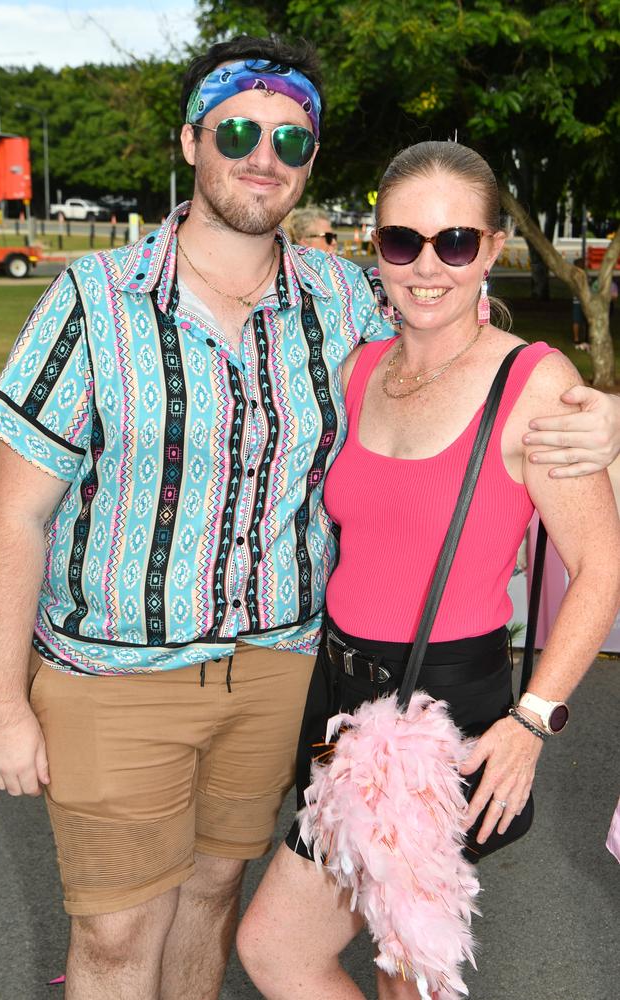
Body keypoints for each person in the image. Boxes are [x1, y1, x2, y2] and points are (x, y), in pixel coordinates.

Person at [0, 34, 619, 999]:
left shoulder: (339, 301)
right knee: (114, 940)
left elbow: (480, 357)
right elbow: (14, 517)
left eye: (291, 137)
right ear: (192, 140)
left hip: (288, 678)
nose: (261, 154)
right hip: (119, 677)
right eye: (237, 128)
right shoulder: (93, 301)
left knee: (219, 906)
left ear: (311, 161)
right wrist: (0, 703)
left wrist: (604, 413)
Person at [236, 141, 620, 1000]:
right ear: (376, 248)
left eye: (454, 242)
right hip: (337, 701)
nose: (426, 266)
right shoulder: (363, 367)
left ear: (489, 249)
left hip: (439, 712)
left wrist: (533, 719)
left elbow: (602, 565)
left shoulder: (534, 381)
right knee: (363, 961)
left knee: (372, 965)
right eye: (401, 242)